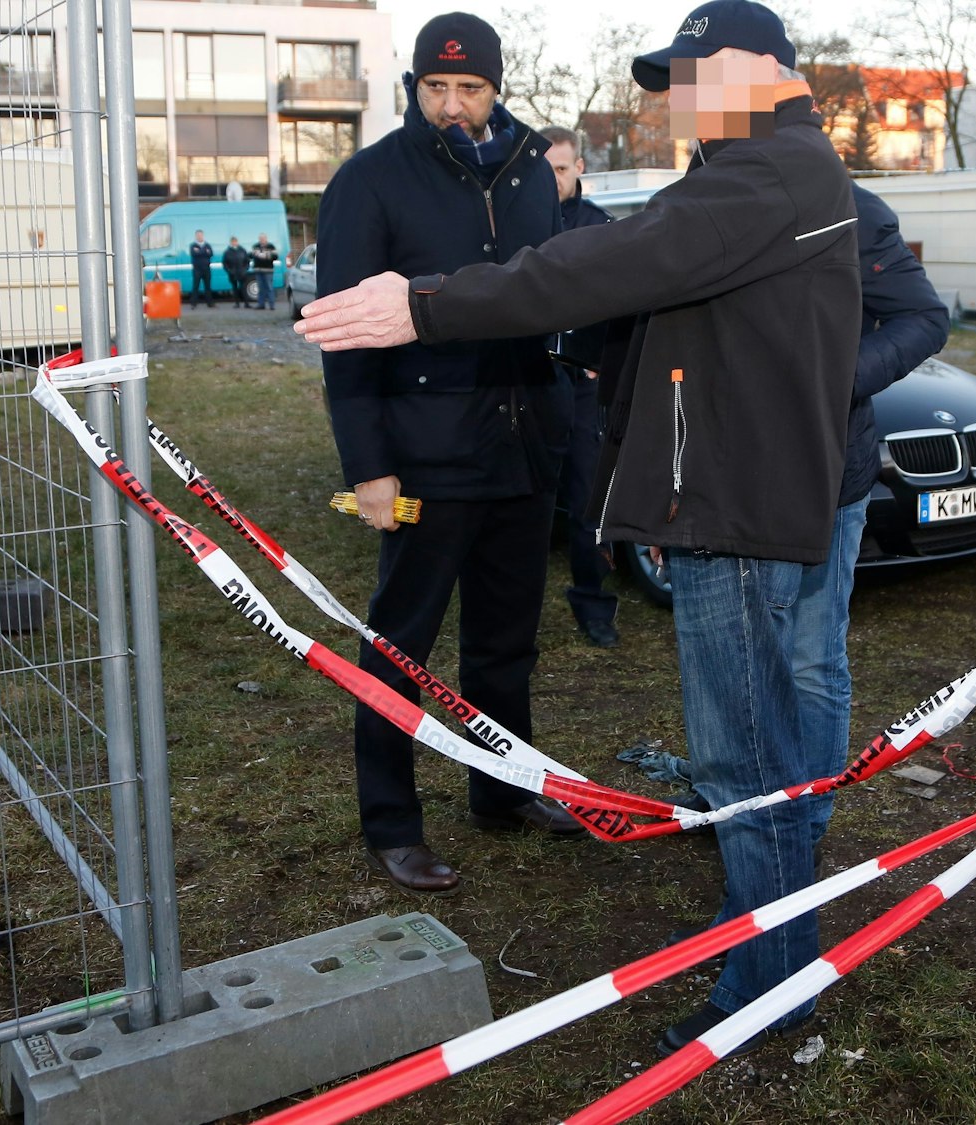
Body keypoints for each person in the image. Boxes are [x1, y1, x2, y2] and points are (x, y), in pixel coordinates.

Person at [297, 0, 861, 1059]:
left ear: (751, 67)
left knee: (748, 768)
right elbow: (647, 294)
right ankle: (765, 956)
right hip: (711, 493)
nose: (675, 103)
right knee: (756, 760)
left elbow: (598, 265)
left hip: (733, 509)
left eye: (688, 79)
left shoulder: (767, 170)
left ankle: (772, 994)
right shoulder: (763, 169)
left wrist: (422, 305)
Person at [313, 11, 581, 897]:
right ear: (414, 89)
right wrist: (368, 466)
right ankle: (392, 822)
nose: (453, 104)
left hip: (524, 444)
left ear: (497, 90)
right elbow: (346, 337)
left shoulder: (532, 173)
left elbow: (549, 294)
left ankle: (504, 792)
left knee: (506, 644)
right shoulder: (368, 181)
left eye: (470, 87)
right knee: (401, 647)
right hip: (425, 455)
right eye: (436, 87)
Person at [799, 182, 949, 848]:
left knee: (811, 656)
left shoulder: (848, 206)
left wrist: (836, 380)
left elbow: (922, 316)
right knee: (740, 667)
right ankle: (743, 811)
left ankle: (803, 825)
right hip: (727, 482)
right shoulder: (700, 197)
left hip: (828, 477)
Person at [539, 124, 621, 648]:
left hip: (583, 388)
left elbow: (623, 302)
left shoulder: (602, 228)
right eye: (544, 172)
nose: (555, 181)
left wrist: (604, 357)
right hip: (527, 381)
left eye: (563, 170)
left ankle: (593, 605)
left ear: (580, 167)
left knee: (589, 498)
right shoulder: (517, 224)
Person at [249, 233, 281, 311]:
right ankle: (261, 304)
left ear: (266, 239)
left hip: (268, 271)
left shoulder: (271, 246)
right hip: (258, 270)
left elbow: (275, 256)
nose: (262, 240)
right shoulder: (255, 246)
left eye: (263, 238)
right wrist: (255, 254)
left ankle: (272, 305)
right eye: (260, 239)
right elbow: (249, 255)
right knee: (260, 288)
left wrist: (266, 255)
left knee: (269, 287)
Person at [188, 229, 217, 308]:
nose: (199, 236)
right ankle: (193, 304)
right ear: (196, 236)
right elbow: (194, 254)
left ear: (203, 235)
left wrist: (200, 251)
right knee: (195, 287)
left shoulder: (207, 245)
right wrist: (204, 251)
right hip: (197, 269)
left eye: (201, 235)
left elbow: (211, 254)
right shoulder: (193, 245)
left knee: (208, 287)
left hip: (206, 269)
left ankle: (210, 303)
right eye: (198, 235)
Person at [222, 236, 250, 307]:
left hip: (242, 273)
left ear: (237, 242)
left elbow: (247, 261)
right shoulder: (227, 252)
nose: (234, 243)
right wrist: (229, 271)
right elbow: (225, 263)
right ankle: (237, 303)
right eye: (233, 242)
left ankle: (246, 303)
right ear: (231, 242)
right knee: (234, 288)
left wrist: (245, 269)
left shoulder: (242, 250)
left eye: (235, 241)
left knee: (243, 288)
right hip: (232, 273)